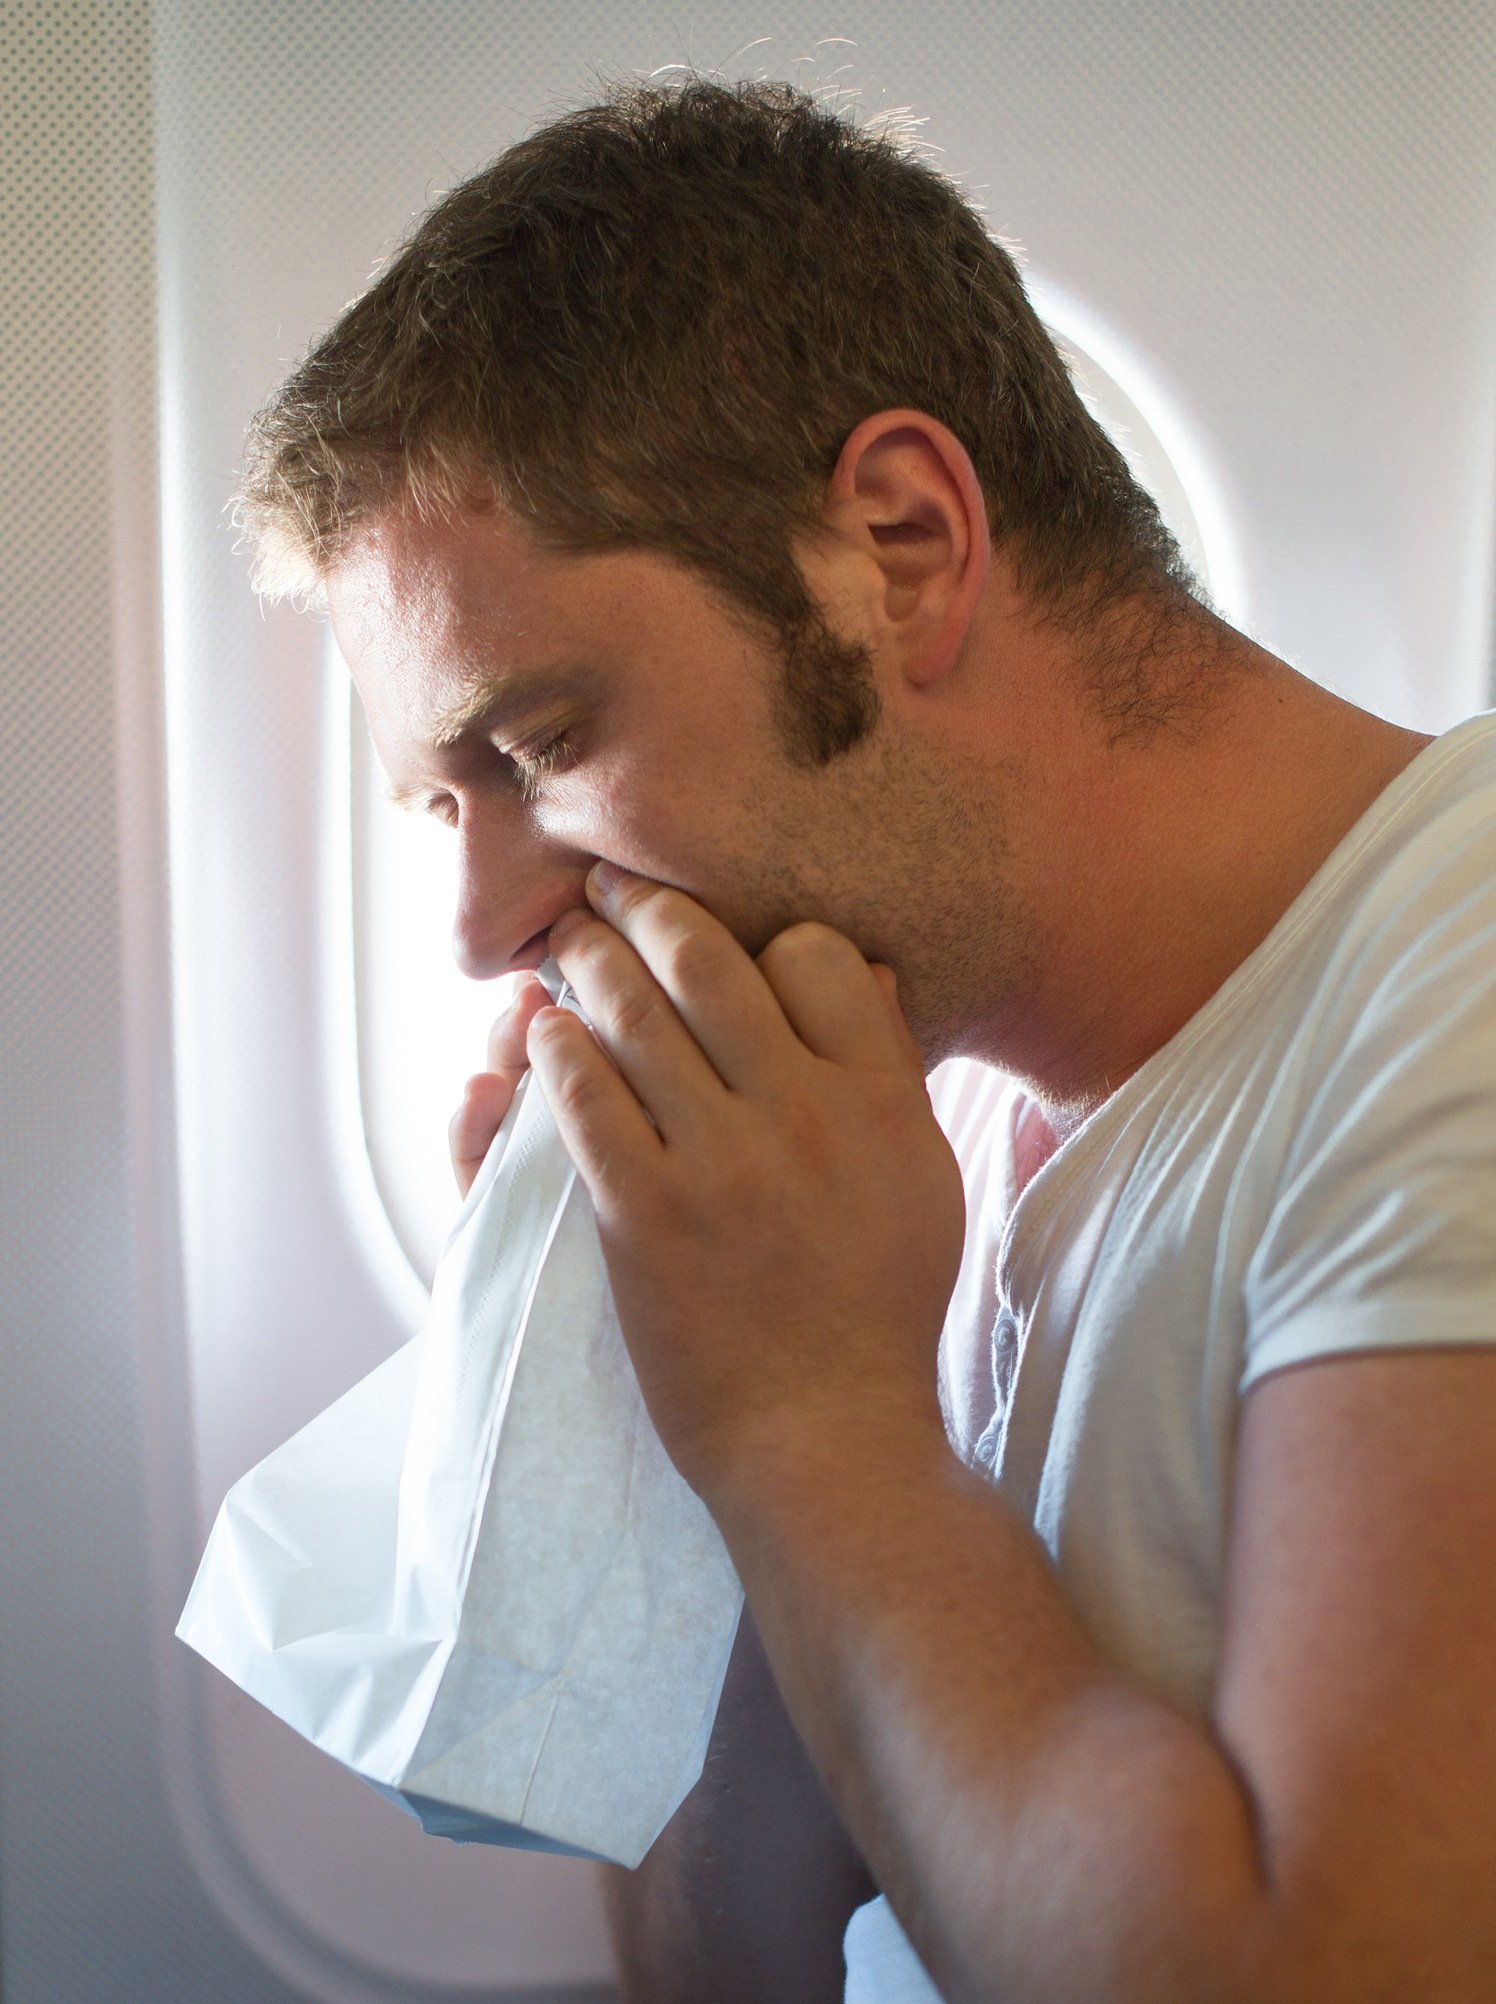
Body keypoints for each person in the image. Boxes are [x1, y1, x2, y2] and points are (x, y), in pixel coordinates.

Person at [237, 76, 1496, 2004]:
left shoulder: (1450, 983)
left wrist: (811, 1422)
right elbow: (728, 1971)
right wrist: (676, 1408)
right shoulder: (889, 1131)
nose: (485, 926)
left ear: (899, 551)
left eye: (543, 744)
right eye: (441, 803)